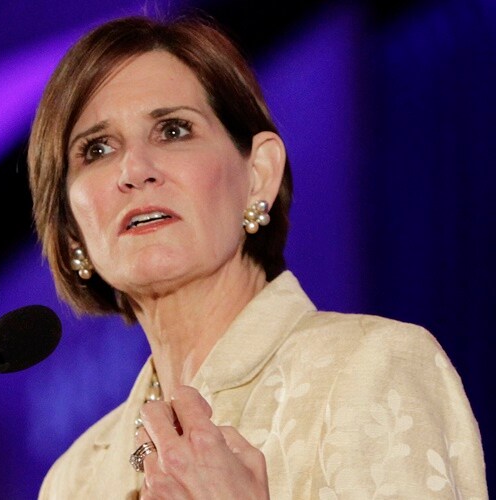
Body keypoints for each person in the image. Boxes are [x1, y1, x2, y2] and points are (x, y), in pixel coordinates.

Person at [27, 13, 488, 499]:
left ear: (259, 175)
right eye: (97, 149)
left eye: (173, 130)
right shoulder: (73, 480)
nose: (135, 169)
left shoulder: (371, 368)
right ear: (71, 231)